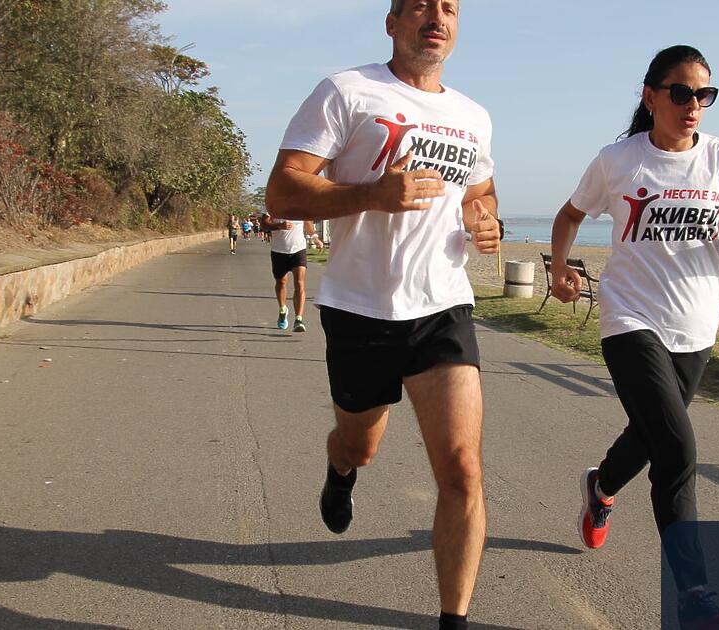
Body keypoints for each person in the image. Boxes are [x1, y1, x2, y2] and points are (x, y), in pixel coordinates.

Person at [266, 1, 500, 627]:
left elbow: (479, 193)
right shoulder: (347, 91)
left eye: (449, 6)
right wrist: (371, 193)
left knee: (462, 468)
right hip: (359, 308)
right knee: (360, 443)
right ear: (392, 22)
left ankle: (454, 617)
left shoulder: (472, 116)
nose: (437, 16)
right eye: (421, 5)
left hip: (442, 307)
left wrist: (486, 222)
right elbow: (283, 190)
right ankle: (340, 468)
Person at [550, 45, 719, 630]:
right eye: (681, 93)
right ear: (650, 96)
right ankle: (695, 595)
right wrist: (559, 268)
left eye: (704, 95)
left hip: (697, 326)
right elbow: (570, 215)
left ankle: (600, 486)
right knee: (677, 448)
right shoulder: (619, 160)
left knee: (652, 435)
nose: (694, 105)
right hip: (629, 319)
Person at [263, 211, 316, 332]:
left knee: (300, 284)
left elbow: (307, 223)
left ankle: (299, 319)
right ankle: (283, 309)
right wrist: (279, 226)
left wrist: (315, 238)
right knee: (281, 282)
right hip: (278, 251)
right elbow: (264, 224)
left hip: (298, 249)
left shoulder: (301, 205)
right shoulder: (274, 203)